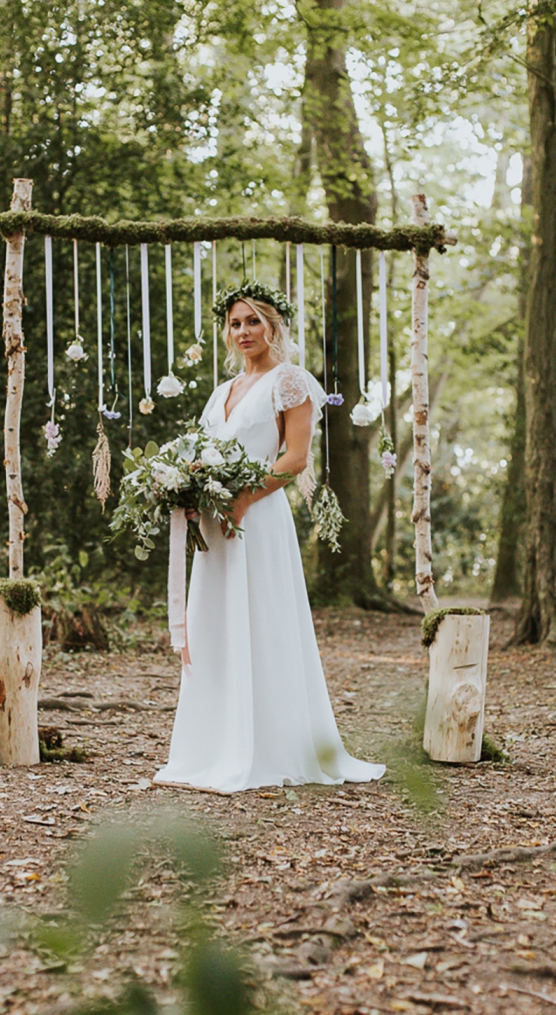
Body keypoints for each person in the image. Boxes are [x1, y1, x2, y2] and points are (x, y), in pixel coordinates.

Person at [154, 282, 385, 793]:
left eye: (253, 321)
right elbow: (203, 452)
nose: (244, 332)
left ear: (273, 326)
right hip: (216, 523)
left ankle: (272, 747)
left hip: (257, 519)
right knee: (216, 624)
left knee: (261, 619)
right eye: (235, 323)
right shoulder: (222, 391)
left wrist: (243, 498)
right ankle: (213, 747)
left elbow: (295, 458)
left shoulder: (291, 381)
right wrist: (192, 490)